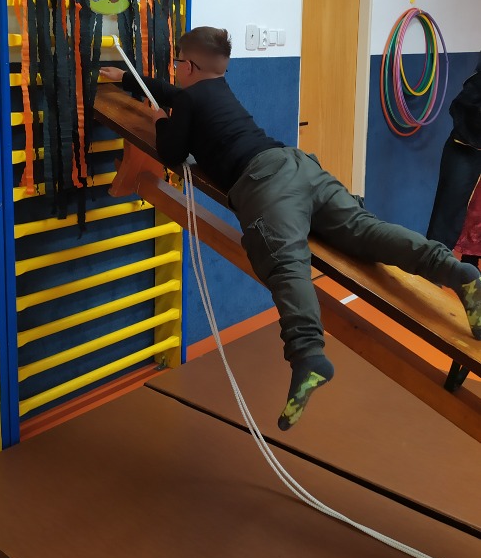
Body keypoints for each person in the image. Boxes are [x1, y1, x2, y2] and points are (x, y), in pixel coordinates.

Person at [101, 27, 481, 429]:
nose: (175, 69)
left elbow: (171, 152)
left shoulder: (188, 100)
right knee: (366, 230)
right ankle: (455, 270)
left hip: (265, 183)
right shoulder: (215, 89)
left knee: (285, 263)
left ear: (190, 66)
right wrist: (127, 79)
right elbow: (174, 94)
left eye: (178, 62)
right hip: (299, 165)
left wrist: (161, 121)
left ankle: (308, 356)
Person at [427, 57, 481, 250]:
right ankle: (434, 266)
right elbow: (462, 109)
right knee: (446, 225)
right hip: (466, 149)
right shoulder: (475, 89)